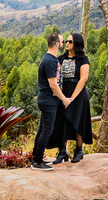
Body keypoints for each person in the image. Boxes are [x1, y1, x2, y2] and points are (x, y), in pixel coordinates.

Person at [32, 32, 70, 171]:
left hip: (47, 99)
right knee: (47, 130)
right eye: (62, 41)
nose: (63, 43)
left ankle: (36, 158)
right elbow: (53, 85)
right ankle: (37, 162)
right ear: (56, 44)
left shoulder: (50, 59)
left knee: (43, 129)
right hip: (48, 100)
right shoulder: (50, 61)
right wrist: (64, 100)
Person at [54, 32, 94, 163]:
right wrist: (62, 96)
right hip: (63, 94)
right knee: (62, 122)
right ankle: (62, 151)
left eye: (70, 41)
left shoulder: (83, 59)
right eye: (66, 41)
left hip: (78, 95)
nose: (66, 43)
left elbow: (83, 79)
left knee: (78, 122)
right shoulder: (60, 58)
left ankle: (78, 150)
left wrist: (72, 98)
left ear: (76, 43)